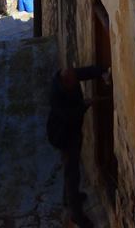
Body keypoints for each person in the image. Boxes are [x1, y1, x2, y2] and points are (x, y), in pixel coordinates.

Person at [47, 64, 110, 227]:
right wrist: (86, 104)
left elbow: (86, 72)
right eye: (74, 82)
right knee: (72, 175)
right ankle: (76, 216)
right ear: (66, 82)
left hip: (72, 132)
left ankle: (69, 199)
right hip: (64, 136)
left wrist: (102, 71)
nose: (77, 82)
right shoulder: (56, 95)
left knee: (70, 171)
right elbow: (69, 116)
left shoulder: (69, 76)